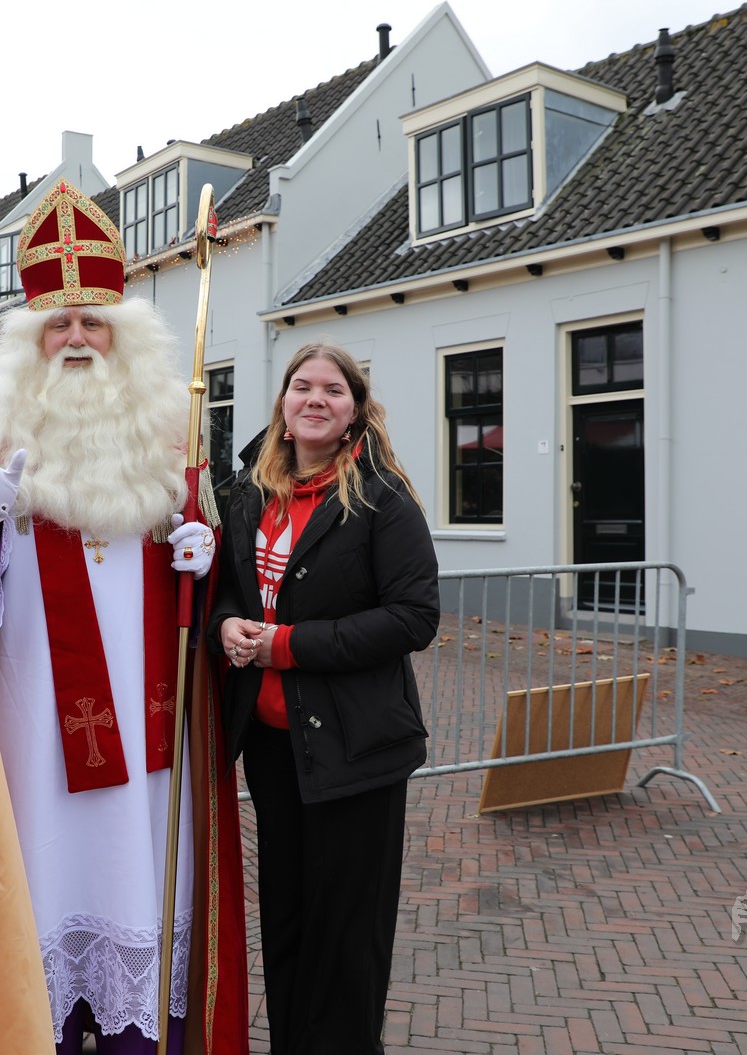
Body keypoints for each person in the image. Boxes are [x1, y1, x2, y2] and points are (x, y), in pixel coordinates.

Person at [0, 179, 247, 1053]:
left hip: (148, 750)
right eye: (58, 325)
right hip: (33, 739)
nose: (76, 338)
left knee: (145, 885)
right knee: (40, 891)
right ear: (28, 342)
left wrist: (205, 553)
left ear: (122, 336)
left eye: (93, 323)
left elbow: (210, 585)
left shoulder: (171, 440)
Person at [208, 342, 439, 1055]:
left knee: (346, 935)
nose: (316, 399)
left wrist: (287, 645)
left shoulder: (382, 499)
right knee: (287, 921)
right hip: (273, 748)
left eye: (333, 390)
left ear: (354, 413)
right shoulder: (249, 495)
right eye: (302, 386)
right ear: (282, 404)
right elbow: (229, 591)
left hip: (356, 748)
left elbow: (413, 617)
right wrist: (226, 626)